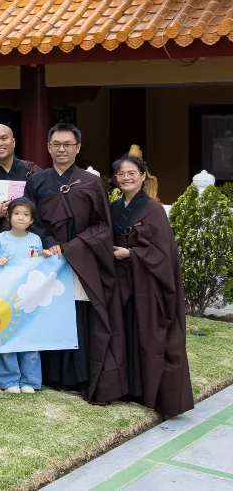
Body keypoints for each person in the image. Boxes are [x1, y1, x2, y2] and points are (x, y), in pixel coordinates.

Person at [27, 123, 127, 405]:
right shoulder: (37, 181)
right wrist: (47, 240)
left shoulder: (91, 182)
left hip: (81, 257)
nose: (61, 149)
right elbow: (26, 217)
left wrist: (73, 247)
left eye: (67, 144)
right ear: (48, 147)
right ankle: (48, 373)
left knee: (78, 315)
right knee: (48, 312)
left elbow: (102, 226)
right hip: (47, 258)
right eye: (56, 144)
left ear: (78, 148)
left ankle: (76, 375)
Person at [110, 154, 193, 418]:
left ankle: (153, 392)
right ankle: (127, 388)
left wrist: (132, 254)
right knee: (123, 332)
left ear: (143, 177)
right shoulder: (113, 207)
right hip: (120, 281)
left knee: (150, 335)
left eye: (132, 173)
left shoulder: (154, 210)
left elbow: (164, 254)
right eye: (121, 174)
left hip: (148, 284)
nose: (126, 178)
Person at [0, 197, 43, 394]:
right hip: (5, 296)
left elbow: (40, 267)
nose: (21, 218)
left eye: (26, 215)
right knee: (6, 336)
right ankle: (8, 379)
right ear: (9, 217)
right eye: (16, 213)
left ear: (32, 220)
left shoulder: (35, 241)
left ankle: (30, 380)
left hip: (30, 297)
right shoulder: (0, 239)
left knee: (30, 336)